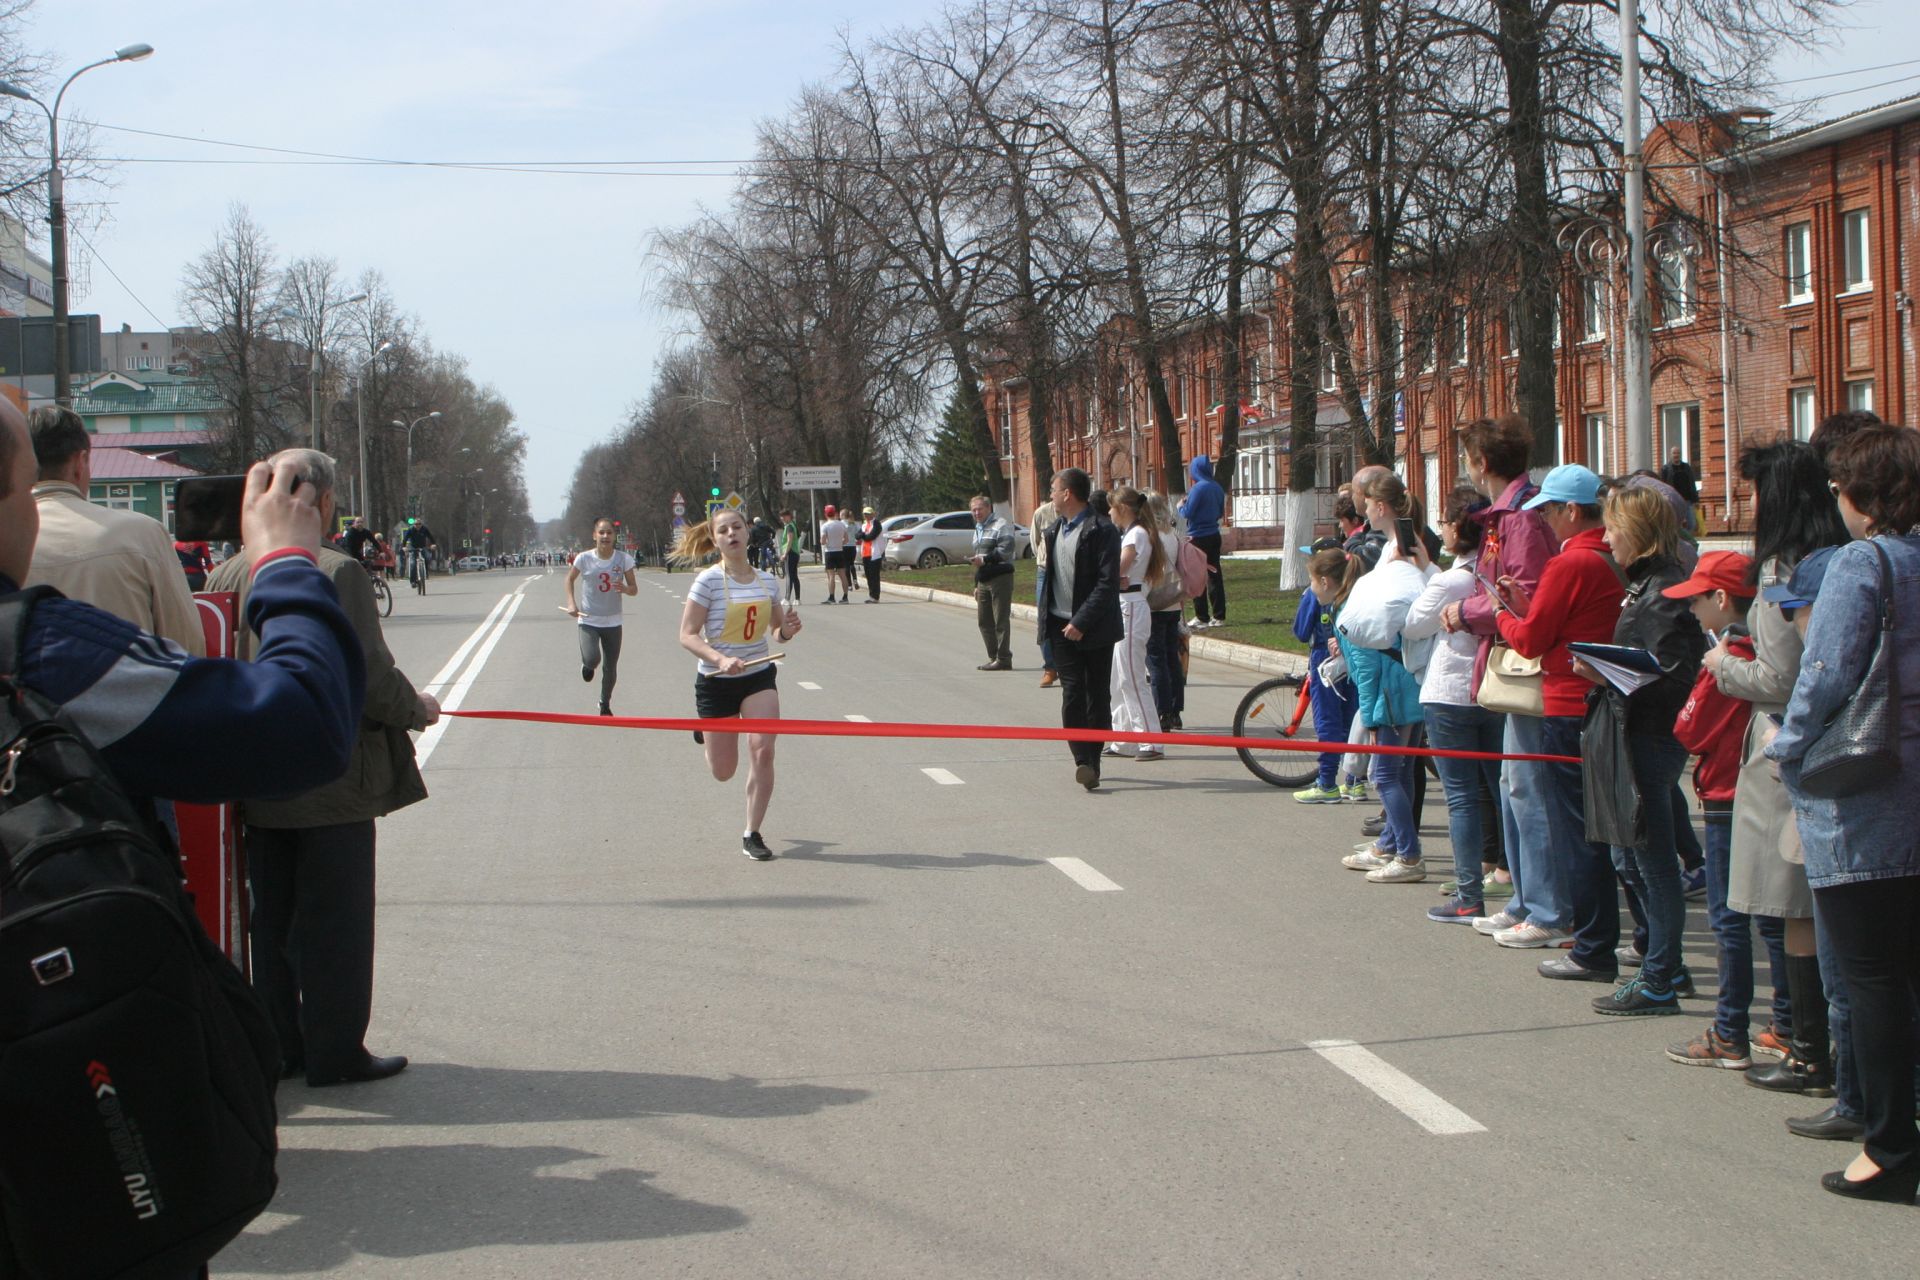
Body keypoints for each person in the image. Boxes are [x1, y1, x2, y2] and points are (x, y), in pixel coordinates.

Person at [204, 448, 431, 1089]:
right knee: (336, 922)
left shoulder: (226, 574)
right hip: (332, 777)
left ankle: (281, 1045)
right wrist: (416, 709)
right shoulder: (336, 570)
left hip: (254, 775)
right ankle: (336, 1050)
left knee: (269, 920)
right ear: (324, 504)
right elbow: (365, 676)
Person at [1766, 422, 1920, 1204]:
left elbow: (1825, 672)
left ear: (1863, 493)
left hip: (1867, 793)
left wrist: (1787, 749)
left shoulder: (1865, 561)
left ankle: (1890, 1148)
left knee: (1873, 978)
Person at [1715, 439, 1846, 1106]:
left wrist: (1720, 666)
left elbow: (1779, 676)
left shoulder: (1779, 574)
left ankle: (1805, 1049)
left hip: (1784, 751)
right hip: (1834, 750)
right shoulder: (1842, 560)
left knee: (1790, 909)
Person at [1573, 483, 1705, 1016]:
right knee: (1627, 853)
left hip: (1649, 738)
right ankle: (1664, 964)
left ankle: (1660, 977)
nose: (1606, 539)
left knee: (1652, 863)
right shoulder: (1647, 583)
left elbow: (1673, 678)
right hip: (1633, 733)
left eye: (1611, 529)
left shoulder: (1665, 591)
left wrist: (1608, 674)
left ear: (1636, 532)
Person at [1483, 464, 1621, 957]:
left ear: (1571, 510)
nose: (1545, 522)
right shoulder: (1611, 556)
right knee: (1595, 824)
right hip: (1600, 696)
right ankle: (1577, 922)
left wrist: (1502, 613)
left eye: (1549, 512)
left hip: (1565, 699)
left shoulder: (1572, 563)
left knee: (1565, 822)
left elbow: (1534, 638)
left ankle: (1570, 924)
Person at [1665, 550, 1782, 1066]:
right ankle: (1787, 1022)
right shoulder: (1774, 651)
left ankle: (1730, 1030)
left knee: (1728, 917)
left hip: (1725, 794)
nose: (1691, 610)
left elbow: (1689, 728)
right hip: (1767, 792)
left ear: (1720, 598)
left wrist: (1709, 672)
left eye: (1696, 599)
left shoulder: (1730, 655)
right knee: (1778, 917)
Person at [24, 405, 204, 656]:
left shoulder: (11, 541)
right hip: (133, 692)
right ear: (81, 461)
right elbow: (186, 643)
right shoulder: (143, 534)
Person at [676, 508, 803, 860]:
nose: (732, 534)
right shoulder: (707, 581)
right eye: (723, 530)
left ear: (748, 533)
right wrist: (720, 659)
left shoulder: (766, 581)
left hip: (758, 676)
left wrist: (787, 630)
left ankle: (752, 832)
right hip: (717, 680)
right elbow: (687, 635)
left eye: (737, 527)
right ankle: (706, 731)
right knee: (723, 771)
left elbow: (777, 632)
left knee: (763, 750)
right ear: (715, 540)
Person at [1404, 485, 1505, 922]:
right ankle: (1510, 876)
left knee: (1461, 797)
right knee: (1501, 790)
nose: (1440, 529)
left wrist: (1427, 574)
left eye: (1445, 522)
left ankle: (1468, 895)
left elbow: (1412, 625)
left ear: (1457, 526)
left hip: (1450, 692)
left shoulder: (1450, 581)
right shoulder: (1494, 574)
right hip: (1495, 689)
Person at [1337, 470, 1434, 884]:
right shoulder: (1400, 545)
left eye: (1369, 503)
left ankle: (1409, 855)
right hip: (1399, 672)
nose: (1365, 509)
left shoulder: (1401, 548)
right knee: (1399, 769)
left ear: (1380, 506)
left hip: (1395, 673)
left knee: (1386, 774)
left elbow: (1403, 605)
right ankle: (1393, 842)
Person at [1039, 467, 1121, 791]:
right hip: (1061, 627)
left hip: (1095, 627)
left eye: (1053, 489)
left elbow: (1107, 584)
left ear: (1067, 494)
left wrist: (1081, 621)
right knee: (1072, 692)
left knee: (1097, 695)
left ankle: (1094, 760)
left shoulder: (1102, 530)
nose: (1050, 495)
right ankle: (1082, 760)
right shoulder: (1053, 530)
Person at [1294, 547, 1362, 804]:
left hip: (1325, 661)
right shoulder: (1353, 597)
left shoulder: (1320, 597)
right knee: (1352, 721)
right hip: (1349, 664)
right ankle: (1354, 781)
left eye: (1311, 580)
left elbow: (1301, 630)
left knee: (1327, 723)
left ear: (1324, 580)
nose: (1310, 586)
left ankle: (1326, 782)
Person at [1104, 487, 1167, 761]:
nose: (1109, 512)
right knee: (1119, 678)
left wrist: (1109, 575)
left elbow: (1116, 570)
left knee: (1132, 676)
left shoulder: (1135, 535)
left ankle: (1151, 740)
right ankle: (1124, 737)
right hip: (1125, 604)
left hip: (1130, 606)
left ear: (1123, 508)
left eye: (1112, 507)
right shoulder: (1134, 533)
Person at [564, 517, 638, 716]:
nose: (605, 536)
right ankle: (587, 665)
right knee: (593, 658)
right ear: (594, 535)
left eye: (609, 533)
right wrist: (571, 603)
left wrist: (625, 588)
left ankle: (604, 703)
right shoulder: (584, 558)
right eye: (601, 532)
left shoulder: (623, 559)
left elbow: (634, 589)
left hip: (613, 621)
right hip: (589, 619)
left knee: (610, 667)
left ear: (614, 536)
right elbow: (569, 579)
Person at [1144, 492, 1187, 732]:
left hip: (1155, 603)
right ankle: (1175, 710)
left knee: (1156, 660)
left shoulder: (1152, 537)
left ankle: (1162, 712)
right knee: (1172, 658)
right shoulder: (1173, 535)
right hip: (1172, 603)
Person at [1177, 455, 1226, 627]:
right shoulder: (1217, 488)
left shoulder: (1197, 489)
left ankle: (1202, 616)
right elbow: (1220, 512)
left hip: (1197, 536)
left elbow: (1187, 512)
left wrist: (1180, 506)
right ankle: (1219, 616)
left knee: (1197, 575)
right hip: (1214, 534)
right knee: (1215, 575)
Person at [970, 494, 1017, 670]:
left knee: (1000, 620)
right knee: (984, 621)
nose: (976, 512)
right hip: (984, 579)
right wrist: (976, 584)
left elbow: (1006, 550)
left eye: (979, 509)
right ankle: (993, 656)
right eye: (973, 510)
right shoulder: (978, 528)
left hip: (1000, 578)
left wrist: (986, 560)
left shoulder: (1001, 524)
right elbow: (978, 557)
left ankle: (1004, 658)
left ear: (989, 508)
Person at [1032, 496, 1061, 688]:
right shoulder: (1042, 513)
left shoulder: (1079, 513)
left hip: (1070, 571)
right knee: (1044, 619)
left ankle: (1068, 667)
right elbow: (1035, 543)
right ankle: (1050, 668)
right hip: (1045, 570)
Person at [819, 504, 851, 603]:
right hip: (840, 551)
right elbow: (846, 540)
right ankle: (845, 597)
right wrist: (838, 543)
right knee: (843, 575)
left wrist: (826, 542)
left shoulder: (825, 526)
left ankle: (832, 597)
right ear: (835, 513)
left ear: (826, 514)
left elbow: (823, 541)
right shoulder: (841, 524)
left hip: (830, 552)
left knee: (831, 575)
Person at [857, 505, 885, 602]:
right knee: (868, 575)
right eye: (865, 514)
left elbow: (871, 537)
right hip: (865, 553)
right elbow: (857, 535)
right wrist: (863, 535)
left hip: (875, 554)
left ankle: (875, 596)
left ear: (873, 514)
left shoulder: (876, 524)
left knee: (874, 576)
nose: (866, 516)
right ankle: (871, 595)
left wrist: (863, 535)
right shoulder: (864, 525)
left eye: (868, 514)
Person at [777, 509, 803, 600]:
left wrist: (785, 554)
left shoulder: (789, 527)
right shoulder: (792, 525)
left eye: (784, 516)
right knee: (794, 576)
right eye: (781, 517)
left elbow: (789, 541)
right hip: (794, 553)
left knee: (789, 577)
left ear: (789, 516)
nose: (782, 518)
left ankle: (787, 598)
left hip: (790, 553)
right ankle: (797, 598)